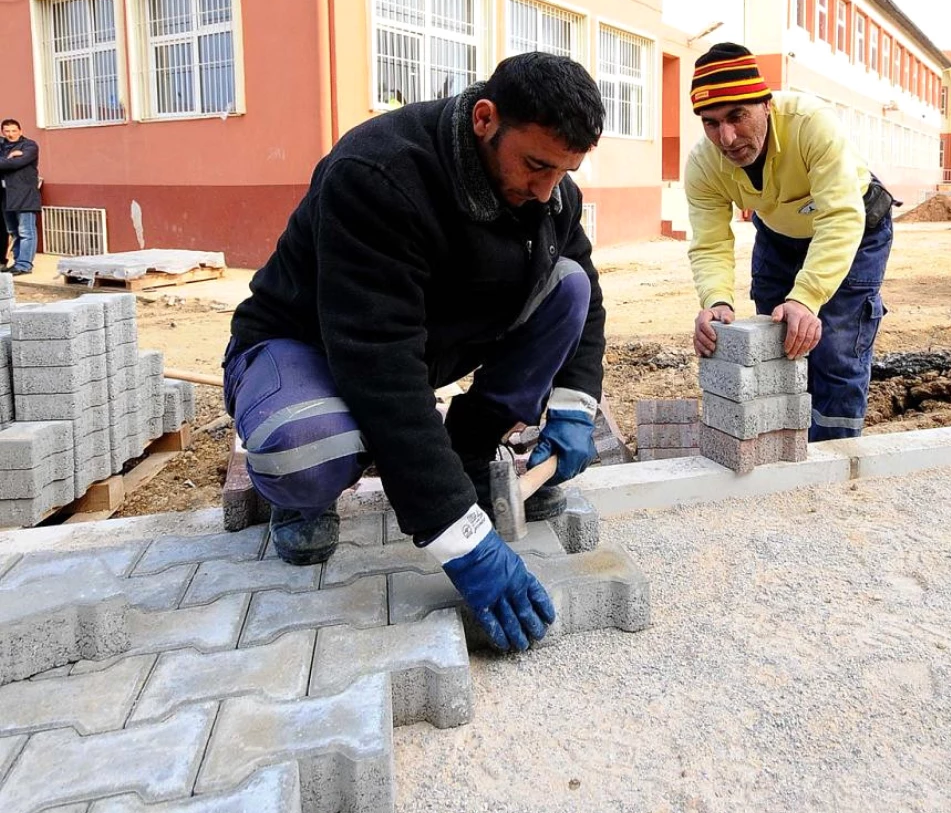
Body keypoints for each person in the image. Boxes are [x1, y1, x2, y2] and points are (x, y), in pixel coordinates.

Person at [224, 53, 607, 654]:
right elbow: (378, 363)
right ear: (485, 119)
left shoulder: (551, 191)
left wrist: (575, 405)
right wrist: (461, 540)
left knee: (569, 286)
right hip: (304, 344)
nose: (546, 190)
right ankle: (301, 497)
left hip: (414, 343)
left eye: (564, 171)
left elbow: (584, 292)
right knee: (310, 451)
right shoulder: (377, 174)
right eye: (536, 165)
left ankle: (468, 454)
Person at [685, 43, 894, 442]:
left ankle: (835, 454)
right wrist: (716, 302)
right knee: (778, 343)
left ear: (766, 105)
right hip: (780, 236)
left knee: (833, 346)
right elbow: (710, 241)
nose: (726, 138)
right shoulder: (703, 164)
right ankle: (782, 446)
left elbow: (839, 216)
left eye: (737, 116)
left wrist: (807, 296)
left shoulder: (811, 124)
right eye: (710, 123)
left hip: (855, 227)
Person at [0, 119, 42, 276]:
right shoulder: (3, 147)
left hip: (25, 195)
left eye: (13, 130)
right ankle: (18, 262)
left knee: (26, 231)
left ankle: (24, 265)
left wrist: (10, 160)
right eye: (7, 131)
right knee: (13, 231)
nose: (11, 134)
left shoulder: (29, 146)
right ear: (3, 132)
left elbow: (16, 164)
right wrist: (9, 158)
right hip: (7, 195)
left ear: (20, 131)